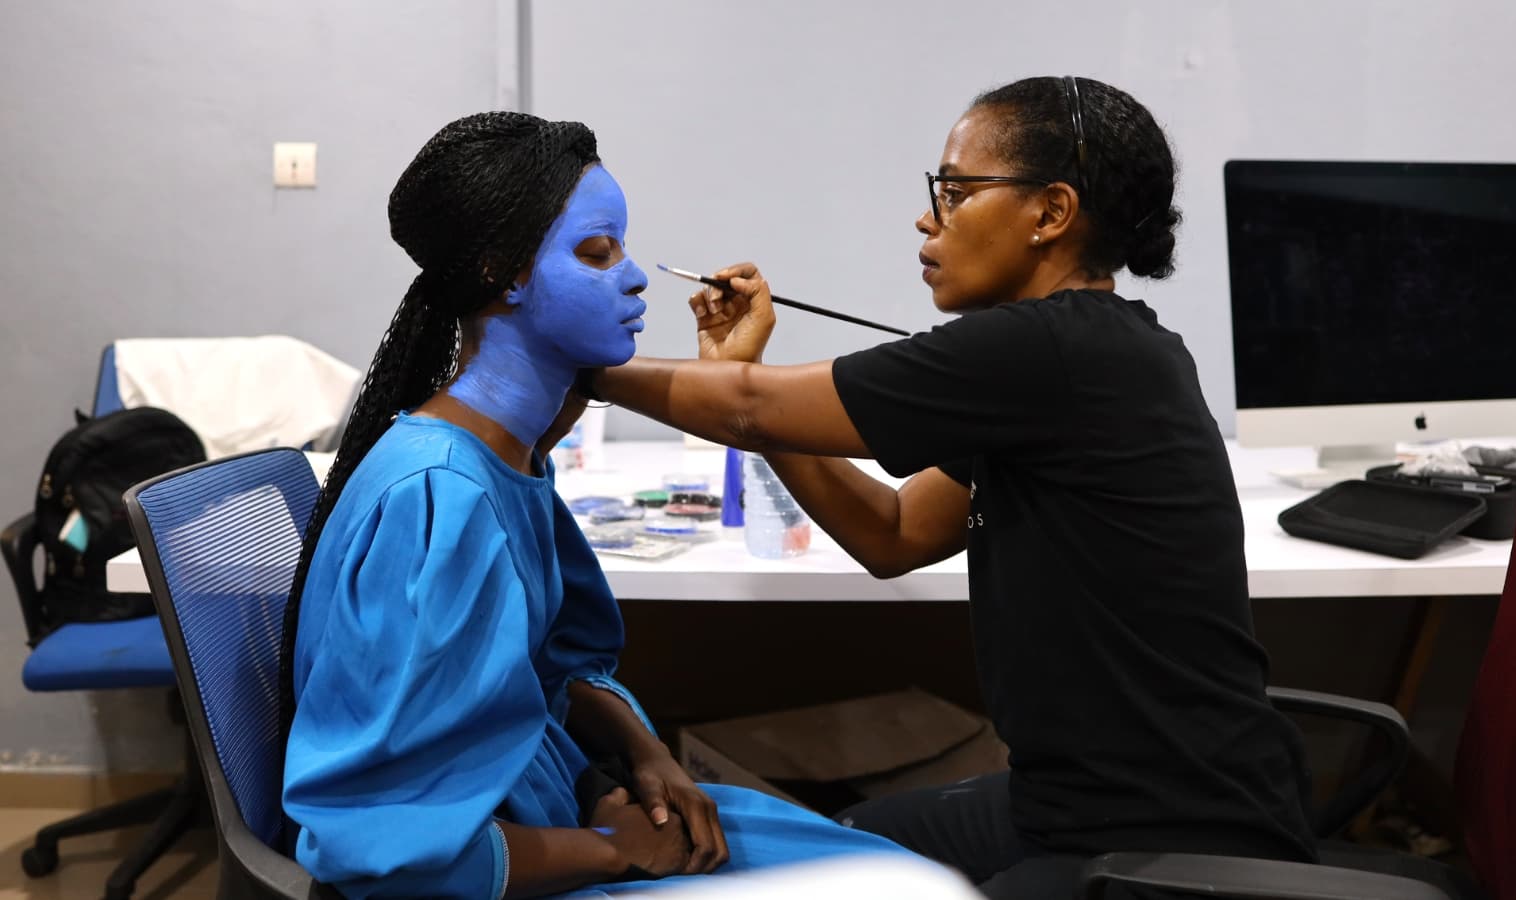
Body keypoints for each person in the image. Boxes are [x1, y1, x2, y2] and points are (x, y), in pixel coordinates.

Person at [581, 76, 1318, 898]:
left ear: (1051, 212)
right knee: (825, 850)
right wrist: (740, 380)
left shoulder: (1056, 348)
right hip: (1075, 804)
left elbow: (753, 412)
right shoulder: (1083, 355)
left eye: (957, 193)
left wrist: (572, 356)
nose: (929, 219)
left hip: (1163, 832)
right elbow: (893, 535)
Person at [278, 112, 905, 900]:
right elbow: (377, 844)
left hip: (565, 801)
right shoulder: (439, 496)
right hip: (521, 860)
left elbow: (557, 665)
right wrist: (613, 852)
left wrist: (647, 752)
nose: (636, 278)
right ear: (502, 273)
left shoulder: (507, 455)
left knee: (894, 873)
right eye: (597, 253)